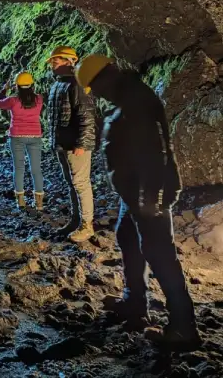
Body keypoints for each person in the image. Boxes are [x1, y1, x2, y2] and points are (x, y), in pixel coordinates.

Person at [75, 54, 201, 350]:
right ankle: (135, 302)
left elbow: (153, 152)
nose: (99, 94)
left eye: (95, 87)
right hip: (134, 194)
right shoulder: (128, 97)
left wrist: (151, 199)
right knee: (127, 236)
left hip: (149, 194)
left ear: (104, 78)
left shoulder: (136, 101)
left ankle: (184, 328)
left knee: (160, 255)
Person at [46, 46, 97, 243]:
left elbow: (87, 116)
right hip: (63, 143)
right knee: (71, 183)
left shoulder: (77, 84)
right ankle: (76, 220)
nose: (52, 65)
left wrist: (82, 143)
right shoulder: (59, 84)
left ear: (69, 61)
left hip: (76, 145)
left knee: (81, 183)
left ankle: (87, 226)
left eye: (55, 61)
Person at [0, 71, 45, 210]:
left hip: (17, 136)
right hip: (35, 136)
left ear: (16, 86)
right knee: (36, 169)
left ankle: (21, 201)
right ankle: (39, 203)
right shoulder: (39, 99)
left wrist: (5, 89)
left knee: (19, 168)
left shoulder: (12, 100)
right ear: (32, 85)